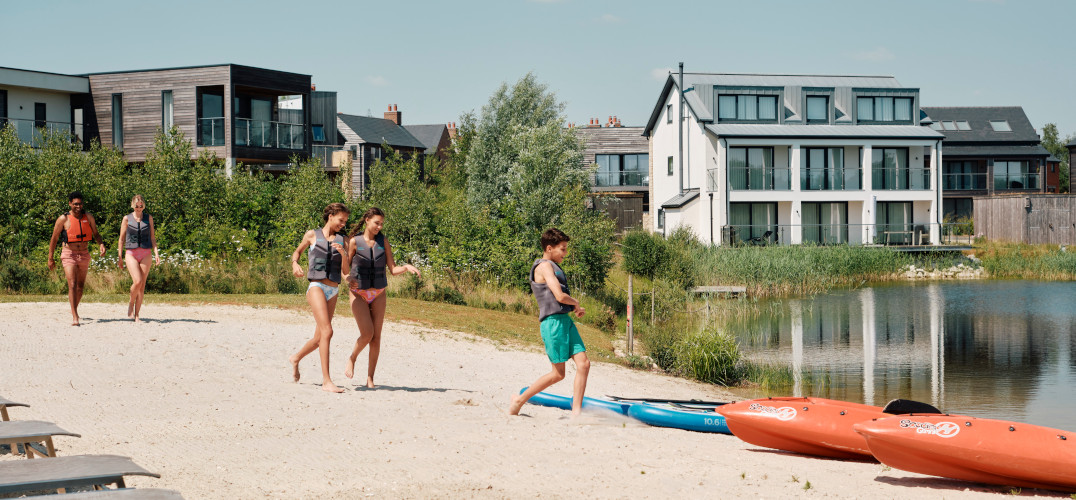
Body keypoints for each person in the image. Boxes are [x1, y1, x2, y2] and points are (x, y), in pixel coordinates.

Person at [509, 228, 590, 416]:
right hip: (553, 323)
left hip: (565, 321)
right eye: (562, 249)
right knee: (558, 374)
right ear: (549, 248)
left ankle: (576, 413)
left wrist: (573, 309)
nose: (565, 253)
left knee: (584, 364)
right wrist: (576, 303)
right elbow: (560, 296)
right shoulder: (544, 266)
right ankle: (519, 400)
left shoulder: (552, 265)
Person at [343, 207, 420, 389]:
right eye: (377, 223)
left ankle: (370, 378)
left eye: (382, 224)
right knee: (367, 333)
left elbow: (392, 269)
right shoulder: (354, 242)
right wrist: (348, 279)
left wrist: (406, 267)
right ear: (368, 220)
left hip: (378, 293)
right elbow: (345, 269)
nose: (379, 226)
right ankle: (352, 358)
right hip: (358, 293)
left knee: (376, 338)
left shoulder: (383, 241)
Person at [288, 203, 351, 393]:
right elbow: (297, 252)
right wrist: (294, 264)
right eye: (341, 220)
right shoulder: (312, 234)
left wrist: (343, 254)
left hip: (333, 290)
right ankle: (326, 381)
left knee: (319, 338)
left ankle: (296, 358)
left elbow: (346, 271)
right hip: (316, 286)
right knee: (328, 331)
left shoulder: (344, 240)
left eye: (345, 221)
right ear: (330, 216)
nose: (343, 224)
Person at [47, 191, 106, 326]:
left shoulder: (88, 217)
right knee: (72, 284)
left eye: (80, 204)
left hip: (84, 254)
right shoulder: (63, 219)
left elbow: (96, 233)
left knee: (80, 287)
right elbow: (54, 238)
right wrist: (50, 258)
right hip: (69, 254)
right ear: (70, 204)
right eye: (75, 204)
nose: (78, 207)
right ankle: (75, 316)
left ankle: (74, 309)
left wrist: (101, 244)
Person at [117, 195, 160, 322]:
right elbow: (121, 239)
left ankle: (137, 315)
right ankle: (131, 302)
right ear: (133, 205)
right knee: (137, 281)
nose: (139, 208)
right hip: (131, 253)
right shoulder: (127, 219)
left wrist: (156, 253)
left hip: (146, 252)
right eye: (137, 205)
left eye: (141, 205)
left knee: (142, 285)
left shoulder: (148, 218)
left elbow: (153, 238)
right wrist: (119, 256)